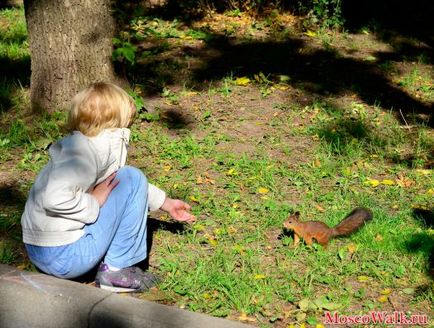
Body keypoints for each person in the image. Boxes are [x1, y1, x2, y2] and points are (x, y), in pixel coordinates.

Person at [21, 82, 195, 293]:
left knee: (130, 178)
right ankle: (116, 273)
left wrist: (165, 204)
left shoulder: (86, 145)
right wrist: (93, 201)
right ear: (117, 120)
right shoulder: (85, 153)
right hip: (65, 255)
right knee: (132, 176)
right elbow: (54, 198)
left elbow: (120, 186)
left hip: (43, 252)